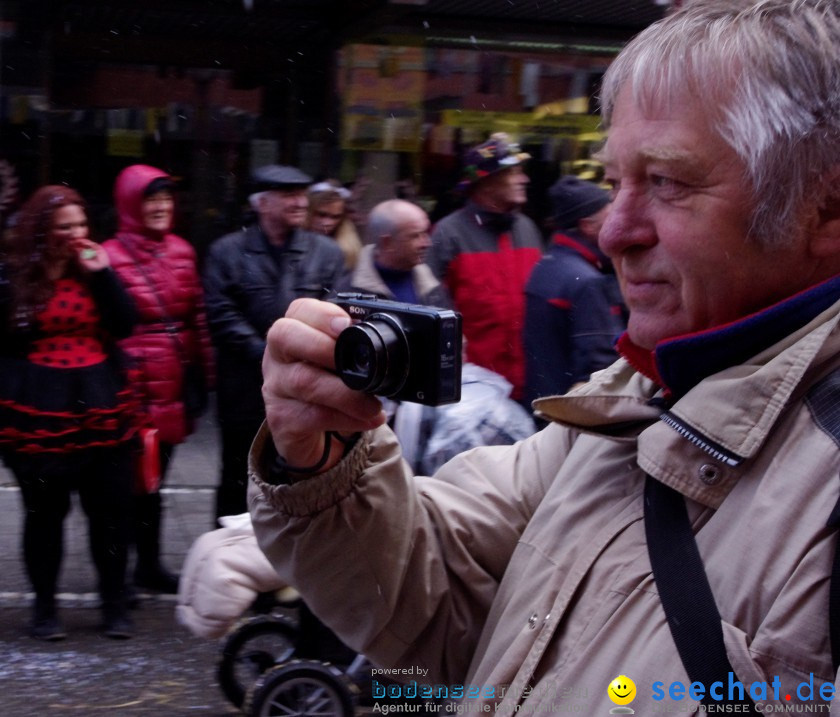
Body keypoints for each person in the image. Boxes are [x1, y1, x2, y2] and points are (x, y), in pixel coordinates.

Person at [248, 1, 840, 711]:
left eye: (669, 182)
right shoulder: (634, 404)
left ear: (825, 208)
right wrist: (324, 459)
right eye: (618, 181)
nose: (614, 232)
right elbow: (436, 593)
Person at [0, 185, 144, 641]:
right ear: (41, 229)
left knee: (110, 512)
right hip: (37, 406)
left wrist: (104, 275)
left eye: (81, 225)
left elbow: (125, 324)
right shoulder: (7, 279)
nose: (76, 235)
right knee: (44, 512)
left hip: (102, 401)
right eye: (64, 227)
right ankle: (44, 607)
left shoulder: (94, 271)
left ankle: (113, 604)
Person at [203, 164, 345, 520]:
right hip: (244, 389)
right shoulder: (227, 252)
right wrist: (271, 354)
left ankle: (292, 557)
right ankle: (230, 552)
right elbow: (221, 316)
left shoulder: (326, 252)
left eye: (301, 195)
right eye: (287, 195)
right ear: (261, 203)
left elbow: (336, 311)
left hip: (305, 386)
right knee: (237, 474)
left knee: (300, 473)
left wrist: (298, 358)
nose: (299, 202)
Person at [103, 165, 214, 596]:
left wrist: (206, 373)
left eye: (166, 198)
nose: (160, 207)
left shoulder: (183, 250)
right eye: (150, 199)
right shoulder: (109, 255)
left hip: (172, 382)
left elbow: (197, 316)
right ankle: (120, 571)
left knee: (155, 479)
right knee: (127, 482)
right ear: (130, 204)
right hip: (130, 384)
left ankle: (148, 565)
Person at [427, 134, 543, 400]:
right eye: (514, 172)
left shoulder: (527, 228)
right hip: (473, 390)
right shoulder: (448, 234)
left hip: (527, 385)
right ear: (487, 181)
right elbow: (433, 312)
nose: (524, 179)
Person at [522, 175, 624, 405]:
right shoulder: (588, 281)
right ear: (587, 225)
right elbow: (600, 370)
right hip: (568, 415)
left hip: (542, 406)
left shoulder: (544, 266)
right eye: (610, 216)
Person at [339, 198, 447, 307]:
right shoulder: (348, 294)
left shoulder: (430, 283)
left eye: (425, 233)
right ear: (387, 243)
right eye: (415, 236)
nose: (427, 243)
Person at [306, 180, 363, 271]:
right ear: (309, 211)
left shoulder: (348, 252)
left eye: (335, 217)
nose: (327, 223)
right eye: (321, 215)